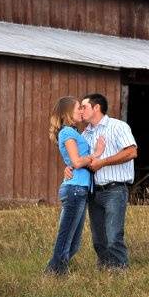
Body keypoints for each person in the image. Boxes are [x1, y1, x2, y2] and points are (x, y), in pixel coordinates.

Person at [65, 93, 137, 270]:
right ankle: (105, 271)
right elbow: (82, 160)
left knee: (113, 236)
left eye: (84, 106)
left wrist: (103, 162)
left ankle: (120, 271)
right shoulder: (85, 134)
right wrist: (70, 168)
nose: (81, 110)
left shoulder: (118, 126)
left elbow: (131, 152)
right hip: (93, 191)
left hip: (114, 190)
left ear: (96, 108)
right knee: (98, 240)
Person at [45, 96, 104, 275]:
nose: (81, 111)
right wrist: (96, 154)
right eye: (78, 108)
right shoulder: (67, 133)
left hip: (80, 189)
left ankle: (57, 270)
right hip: (75, 190)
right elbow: (77, 162)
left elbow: (73, 162)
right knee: (66, 236)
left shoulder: (74, 132)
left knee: (74, 242)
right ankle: (55, 272)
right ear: (68, 112)